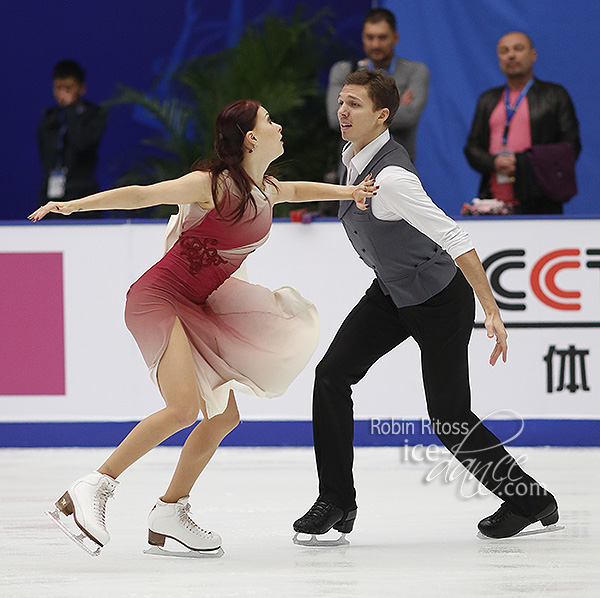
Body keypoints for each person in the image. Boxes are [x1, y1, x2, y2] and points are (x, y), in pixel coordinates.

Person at [30, 99, 375, 557]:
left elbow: (296, 190)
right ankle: (91, 490)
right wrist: (72, 205)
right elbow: (141, 194)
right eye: (270, 121)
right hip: (158, 298)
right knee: (182, 409)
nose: (279, 125)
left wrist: (348, 194)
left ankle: (170, 510)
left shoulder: (265, 189)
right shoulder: (212, 185)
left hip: (194, 306)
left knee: (223, 417)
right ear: (252, 137)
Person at [293, 70, 558, 545]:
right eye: (342, 102)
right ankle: (337, 499)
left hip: (438, 299)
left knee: (449, 416)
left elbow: (455, 236)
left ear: (383, 115)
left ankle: (528, 498)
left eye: (355, 104)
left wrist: (491, 309)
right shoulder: (351, 155)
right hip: (392, 292)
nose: (343, 111)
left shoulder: (393, 177)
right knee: (331, 375)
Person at [464, 32, 581, 215]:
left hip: (540, 200)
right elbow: (472, 147)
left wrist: (522, 161)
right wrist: (494, 162)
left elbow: (571, 148)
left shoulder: (555, 95)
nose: (511, 55)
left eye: (518, 49)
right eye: (504, 51)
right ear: (499, 59)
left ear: (533, 55)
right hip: (493, 201)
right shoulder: (488, 100)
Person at [326, 8, 429, 163]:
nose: (376, 44)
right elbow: (335, 119)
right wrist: (397, 105)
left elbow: (410, 116)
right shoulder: (344, 70)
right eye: (370, 37)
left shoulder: (415, 71)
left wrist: (360, 114)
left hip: (397, 163)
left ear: (395, 37)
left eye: (382, 38)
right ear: (362, 37)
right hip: (352, 163)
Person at [37, 60, 107, 217]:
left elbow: (81, 143)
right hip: (52, 193)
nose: (62, 94)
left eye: (68, 88)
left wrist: (70, 111)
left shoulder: (94, 115)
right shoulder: (49, 118)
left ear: (82, 88)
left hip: (83, 193)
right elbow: (46, 154)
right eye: (58, 88)